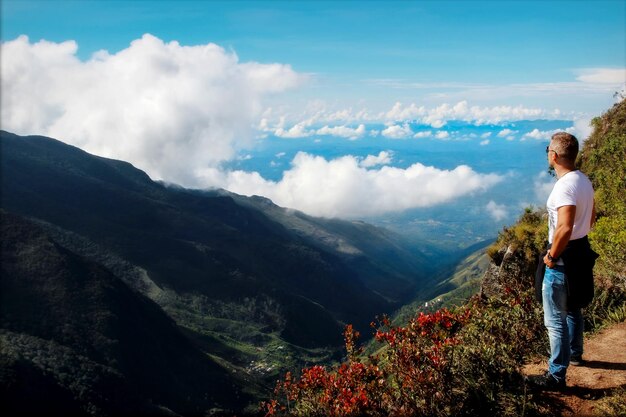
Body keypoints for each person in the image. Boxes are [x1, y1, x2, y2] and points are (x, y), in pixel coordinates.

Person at [530, 132, 597, 390]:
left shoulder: (565, 186)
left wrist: (551, 256)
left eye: (548, 149)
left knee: (554, 319)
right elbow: (589, 219)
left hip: (563, 257)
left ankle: (556, 375)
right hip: (580, 252)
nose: (547, 153)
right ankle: (575, 353)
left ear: (554, 155)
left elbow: (565, 227)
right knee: (573, 306)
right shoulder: (583, 180)